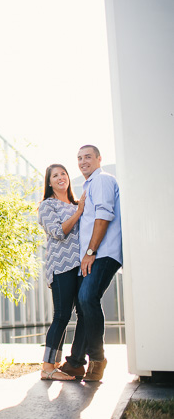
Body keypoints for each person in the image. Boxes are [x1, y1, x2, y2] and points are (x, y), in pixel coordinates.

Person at [60, 145, 122, 382]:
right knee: (83, 306)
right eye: (79, 158)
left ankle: (97, 359)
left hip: (103, 253)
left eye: (88, 157)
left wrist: (90, 251)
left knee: (87, 299)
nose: (83, 161)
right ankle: (76, 363)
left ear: (99, 159)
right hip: (91, 254)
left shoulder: (103, 180)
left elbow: (104, 216)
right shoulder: (88, 185)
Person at [38, 164, 86, 380]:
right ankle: (47, 368)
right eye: (55, 175)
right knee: (61, 315)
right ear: (49, 182)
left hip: (80, 267)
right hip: (61, 266)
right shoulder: (47, 206)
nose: (60, 178)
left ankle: (57, 363)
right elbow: (58, 232)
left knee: (79, 315)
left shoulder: (77, 203)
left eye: (63, 174)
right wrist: (78, 213)